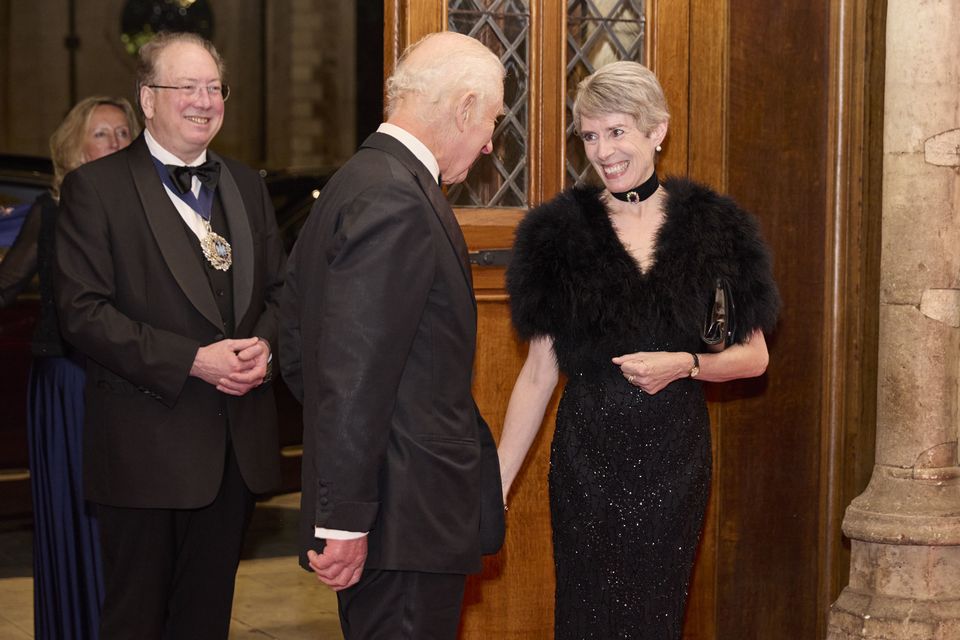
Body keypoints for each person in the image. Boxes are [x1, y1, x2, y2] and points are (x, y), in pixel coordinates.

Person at [498, 61, 781, 639]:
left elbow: (754, 358)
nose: (603, 150)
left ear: (658, 130)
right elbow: (536, 376)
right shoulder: (558, 233)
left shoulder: (715, 227)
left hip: (674, 460)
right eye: (591, 135)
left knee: (654, 618)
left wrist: (686, 364)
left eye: (617, 131)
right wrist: (495, 488)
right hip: (585, 459)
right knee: (585, 616)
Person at [54, 32, 285, 640]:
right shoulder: (95, 190)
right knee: (135, 623)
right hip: (145, 451)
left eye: (214, 87)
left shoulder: (245, 183)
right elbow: (82, 313)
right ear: (148, 99)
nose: (204, 100)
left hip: (234, 451)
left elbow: (283, 294)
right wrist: (192, 361)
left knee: (205, 621)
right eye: (187, 87)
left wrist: (267, 345)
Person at [279, 31, 506, 640]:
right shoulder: (394, 196)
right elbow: (352, 373)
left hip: (391, 514)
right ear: (461, 107)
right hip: (402, 523)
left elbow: (299, 349)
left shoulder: (355, 181)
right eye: (489, 120)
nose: (489, 144)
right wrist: (348, 516)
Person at [0, 96, 138, 640]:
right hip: (69, 388)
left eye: (124, 133)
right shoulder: (52, 212)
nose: (115, 143)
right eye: (102, 134)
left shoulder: (146, 212)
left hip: (131, 388)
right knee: (76, 516)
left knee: (130, 525)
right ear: (73, 147)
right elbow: (6, 287)